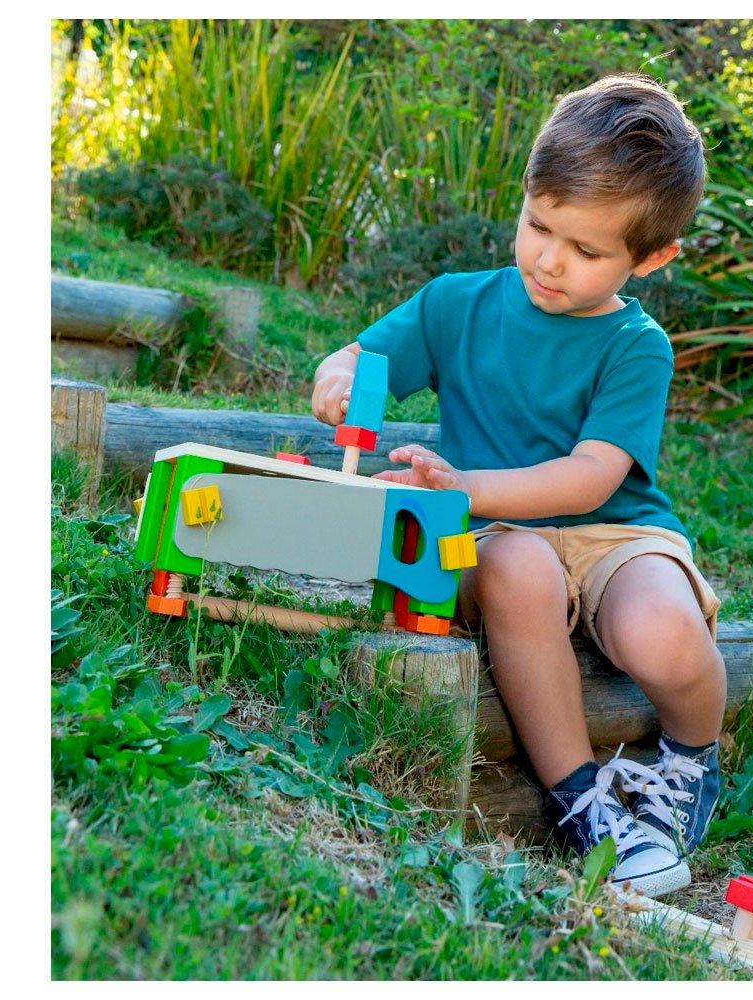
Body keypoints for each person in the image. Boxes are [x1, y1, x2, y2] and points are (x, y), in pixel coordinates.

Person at [311, 75, 726, 898]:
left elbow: (591, 475)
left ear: (651, 259)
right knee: (515, 569)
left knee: (667, 638)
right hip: (501, 538)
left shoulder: (637, 346)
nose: (548, 258)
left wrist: (468, 486)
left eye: (587, 251)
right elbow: (366, 360)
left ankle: (689, 763)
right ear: (527, 200)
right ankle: (582, 800)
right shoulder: (455, 305)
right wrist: (340, 372)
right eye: (539, 225)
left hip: (615, 531)